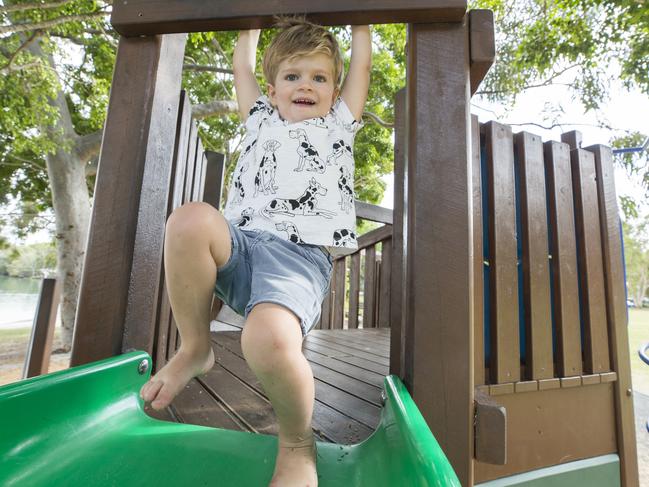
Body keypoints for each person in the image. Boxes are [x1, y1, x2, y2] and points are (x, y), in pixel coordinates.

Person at [140, 17, 371, 487]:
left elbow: (362, 60)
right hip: (241, 246)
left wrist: (362, 21)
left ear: (335, 90)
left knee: (265, 340)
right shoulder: (260, 117)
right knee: (188, 219)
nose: (305, 85)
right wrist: (247, 23)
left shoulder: (339, 123)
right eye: (292, 76)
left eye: (319, 77)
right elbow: (242, 67)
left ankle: (297, 444)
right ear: (272, 89)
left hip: (298, 260)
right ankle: (196, 346)